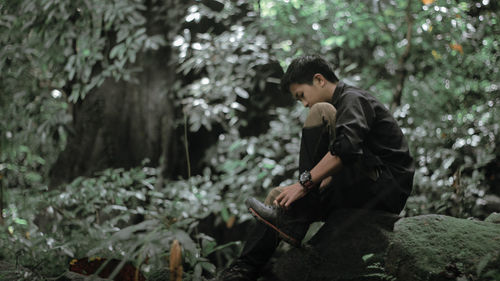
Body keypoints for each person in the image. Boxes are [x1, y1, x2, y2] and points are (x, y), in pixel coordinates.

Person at [218, 55, 415, 281]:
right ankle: (243, 270)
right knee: (278, 198)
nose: (303, 103)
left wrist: (304, 184)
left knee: (321, 110)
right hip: (359, 183)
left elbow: (348, 149)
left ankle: (299, 213)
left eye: (301, 95)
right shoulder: (342, 108)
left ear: (319, 80)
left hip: (383, 187)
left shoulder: (352, 99)